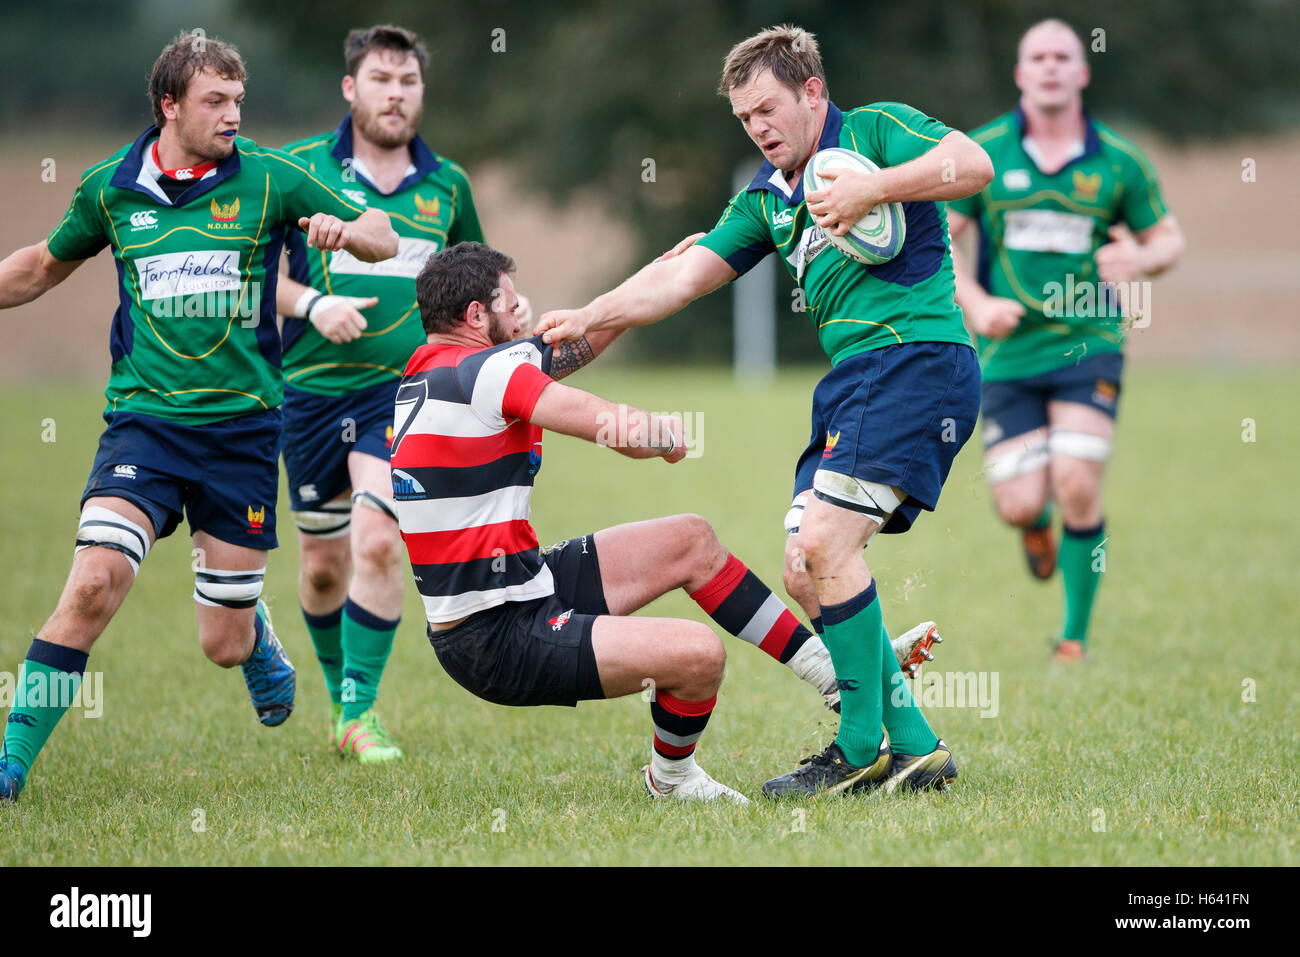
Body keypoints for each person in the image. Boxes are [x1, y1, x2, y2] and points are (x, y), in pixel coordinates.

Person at [537, 25, 993, 797]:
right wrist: (590, 312)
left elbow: (975, 164)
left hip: (917, 362)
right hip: (854, 381)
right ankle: (916, 746)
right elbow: (682, 280)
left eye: (768, 109)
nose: (759, 128)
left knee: (824, 542)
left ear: (813, 91)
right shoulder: (767, 197)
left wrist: (875, 187)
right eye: (746, 119)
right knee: (804, 567)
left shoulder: (876, 132)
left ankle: (860, 747)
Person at [0, 31, 398, 802]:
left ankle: (254, 642)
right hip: (144, 425)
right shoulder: (110, 187)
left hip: (244, 435)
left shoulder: (271, 179)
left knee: (221, 642)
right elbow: (42, 265)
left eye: (239, 101)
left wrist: (346, 232)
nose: (232, 115)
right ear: (169, 105)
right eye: (216, 101)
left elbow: (381, 234)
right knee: (92, 585)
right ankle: (11, 762)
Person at [394, 241, 929, 802]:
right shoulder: (488, 374)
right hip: (494, 637)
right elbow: (599, 422)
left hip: (521, 588)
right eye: (510, 302)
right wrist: (659, 432)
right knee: (696, 656)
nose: (523, 309)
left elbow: (580, 341)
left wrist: (654, 275)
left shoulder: (437, 373)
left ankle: (831, 675)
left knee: (690, 539)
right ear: (477, 315)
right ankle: (671, 778)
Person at [275, 24, 488, 763]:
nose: (395, 94)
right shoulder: (297, 170)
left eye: (408, 82)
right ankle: (342, 703)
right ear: (350, 89)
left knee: (377, 538)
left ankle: (360, 712)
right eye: (380, 80)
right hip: (306, 396)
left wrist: (506, 329)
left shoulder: (448, 186)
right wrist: (310, 305)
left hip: (400, 399)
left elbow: (476, 287)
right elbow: (246, 275)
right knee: (322, 565)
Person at [946, 19, 1184, 662]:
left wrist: (1139, 259)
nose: (1050, 66)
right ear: (1022, 74)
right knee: (1019, 504)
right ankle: (1034, 526)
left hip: (1090, 342)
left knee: (1078, 482)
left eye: (1063, 57)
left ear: (1082, 72)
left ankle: (1073, 638)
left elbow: (1169, 240)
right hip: (1007, 350)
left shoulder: (1119, 160)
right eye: (1037, 57)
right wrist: (976, 302)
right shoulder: (986, 153)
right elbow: (937, 239)